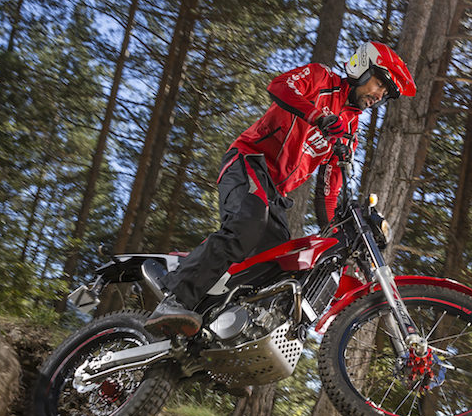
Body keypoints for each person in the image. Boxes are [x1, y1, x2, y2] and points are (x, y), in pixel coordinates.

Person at [144, 41, 416, 337]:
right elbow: (279, 87)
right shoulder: (321, 78)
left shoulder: (350, 130)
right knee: (247, 226)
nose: (379, 95)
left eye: (386, 94)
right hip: (249, 161)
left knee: (279, 268)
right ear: (362, 68)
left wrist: (334, 234)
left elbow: (328, 189)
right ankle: (177, 297)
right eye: (379, 84)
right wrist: (318, 117)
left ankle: (221, 335)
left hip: (277, 194)